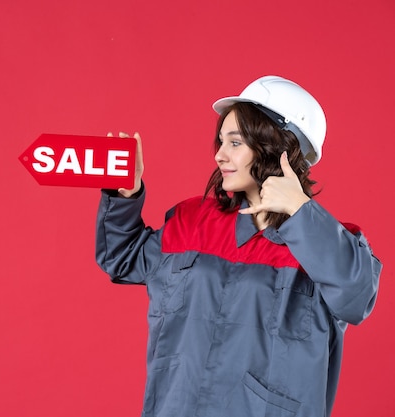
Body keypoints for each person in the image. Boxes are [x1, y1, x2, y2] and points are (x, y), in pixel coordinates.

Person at [95, 75, 382, 417]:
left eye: (235, 142)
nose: (219, 155)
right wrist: (124, 196)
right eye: (220, 141)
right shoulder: (193, 221)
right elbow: (123, 259)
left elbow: (357, 298)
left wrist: (301, 214)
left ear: (276, 146)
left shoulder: (329, 243)